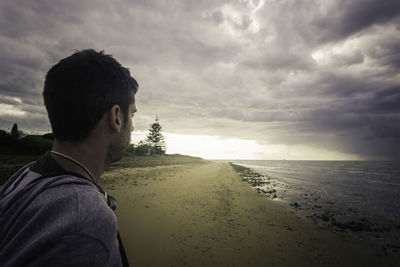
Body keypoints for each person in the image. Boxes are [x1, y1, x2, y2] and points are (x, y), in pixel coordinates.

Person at [0, 49, 138, 266]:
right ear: (117, 117)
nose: (133, 124)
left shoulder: (26, 175)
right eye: (132, 114)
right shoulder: (85, 220)